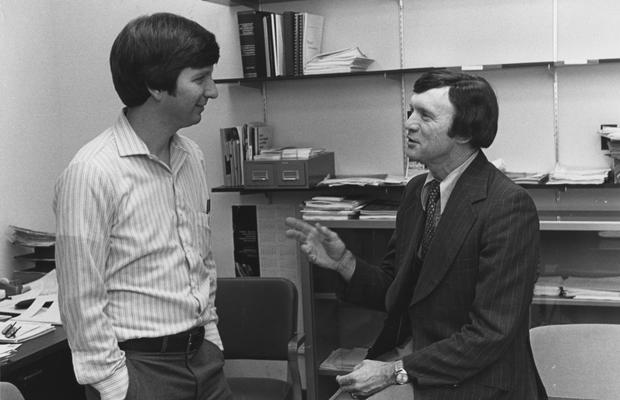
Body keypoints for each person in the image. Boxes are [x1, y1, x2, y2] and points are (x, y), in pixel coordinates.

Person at [286, 70, 548, 399]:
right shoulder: (417, 192)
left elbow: (490, 334)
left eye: (425, 115)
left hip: (477, 381)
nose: (409, 123)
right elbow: (398, 292)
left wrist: (393, 371)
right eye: (411, 111)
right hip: (416, 364)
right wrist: (345, 263)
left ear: (464, 131)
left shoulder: (507, 206)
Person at [54, 13, 232, 400]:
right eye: (200, 78)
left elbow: (200, 261)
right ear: (155, 86)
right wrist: (115, 386)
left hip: (204, 359)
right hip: (139, 371)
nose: (213, 91)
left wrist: (212, 337)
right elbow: (80, 297)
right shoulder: (91, 172)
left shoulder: (192, 157)